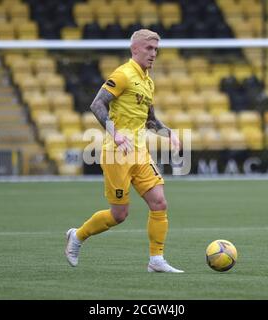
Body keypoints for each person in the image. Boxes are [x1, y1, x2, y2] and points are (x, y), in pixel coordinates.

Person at [65, 29, 184, 273]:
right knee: (119, 215)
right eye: (149, 48)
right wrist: (115, 133)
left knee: (159, 202)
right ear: (135, 49)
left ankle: (156, 260)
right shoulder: (123, 74)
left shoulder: (147, 81)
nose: (154, 54)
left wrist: (168, 133)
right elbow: (97, 103)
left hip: (140, 152)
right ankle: (77, 236)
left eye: (156, 49)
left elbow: (150, 120)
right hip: (116, 153)